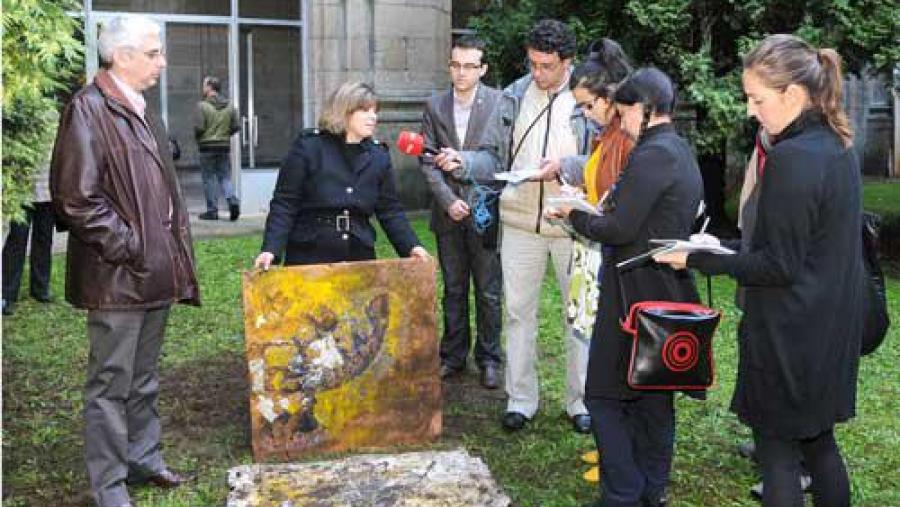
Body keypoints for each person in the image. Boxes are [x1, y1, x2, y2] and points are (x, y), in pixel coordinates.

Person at [655, 34, 863, 507]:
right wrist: (719, 245)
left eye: (757, 99)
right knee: (819, 442)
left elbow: (777, 264)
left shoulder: (792, 157)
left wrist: (696, 258)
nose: (751, 111)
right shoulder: (836, 145)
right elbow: (799, 246)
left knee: (779, 454)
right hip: (828, 326)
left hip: (790, 334)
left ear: (793, 94)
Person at [50, 14, 200, 507]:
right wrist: (130, 247)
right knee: (111, 385)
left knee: (144, 377)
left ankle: (144, 459)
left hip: (154, 273)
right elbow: (76, 200)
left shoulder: (140, 107)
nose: (163, 62)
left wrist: (157, 252)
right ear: (122, 56)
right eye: (154, 53)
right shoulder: (87, 108)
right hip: (117, 278)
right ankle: (109, 486)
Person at [546, 67, 704, 507]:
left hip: (635, 295)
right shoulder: (680, 150)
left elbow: (618, 228)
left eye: (625, 112)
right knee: (653, 398)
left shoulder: (654, 154)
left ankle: (623, 492)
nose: (624, 122)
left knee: (603, 397)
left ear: (644, 109)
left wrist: (573, 213)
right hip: (664, 290)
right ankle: (651, 489)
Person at [435, 19, 595, 434]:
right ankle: (521, 400)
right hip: (520, 224)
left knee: (578, 319)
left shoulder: (588, 97)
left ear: (568, 62)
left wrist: (564, 168)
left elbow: (604, 161)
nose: (537, 73)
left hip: (573, 225)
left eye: (546, 66)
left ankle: (580, 401)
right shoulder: (513, 95)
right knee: (518, 314)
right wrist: (465, 161)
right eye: (532, 64)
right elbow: (492, 156)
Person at [537, 37, 634, 483]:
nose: (584, 113)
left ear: (610, 97)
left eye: (587, 105)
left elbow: (621, 204)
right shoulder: (605, 134)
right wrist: (579, 196)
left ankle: (620, 453)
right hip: (594, 253)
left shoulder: (626, 138)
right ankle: (612, 447)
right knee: (600, 355)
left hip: (610, 256)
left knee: (612, 367)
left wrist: (581, 208)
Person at [254, 81, 430, 269]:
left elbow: (390, 210)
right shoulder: (309, 147)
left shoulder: (379, 156)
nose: (373, 117)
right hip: (310, 254)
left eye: (374, 111)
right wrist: (271, 249)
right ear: (343, 112)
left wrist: (412, 246)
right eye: (365, 111)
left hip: (358, 255)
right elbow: (285, 203)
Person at [419, 35, 504, 389]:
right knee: (453, 288)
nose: (462, 72)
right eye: (456, 65)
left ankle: (489, 358)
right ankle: (453, 356)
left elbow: (501, 158)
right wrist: (447, 201)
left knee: (488, 291)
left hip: (485, 211)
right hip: (447, 213)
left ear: (483, 69)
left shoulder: (500, 103)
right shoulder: (434, 105)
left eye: (470, 66)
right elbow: (426, 159)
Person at [3, 155, 55, 316]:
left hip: (48, 192)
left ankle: (40, 288)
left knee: (44, 240)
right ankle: (7, 294)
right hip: (22, 192)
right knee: (17, 241)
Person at [195, 75, 241, 221]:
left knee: (209, 178)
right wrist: (224, 134)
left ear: (209, 87)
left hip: (206, 147)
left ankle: (212, 211)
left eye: (204, 85)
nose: (203, 88)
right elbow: (236, 126)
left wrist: (199, 138)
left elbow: (199, 127)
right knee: (225, 177)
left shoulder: (202, 106)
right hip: (224, 146)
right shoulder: (230, 106)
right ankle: (232, 200)